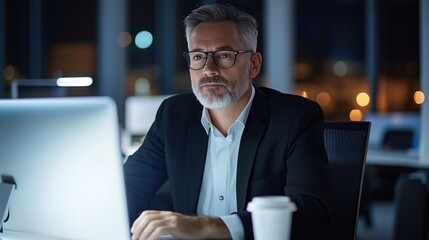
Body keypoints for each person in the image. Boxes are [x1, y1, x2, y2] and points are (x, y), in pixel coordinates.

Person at [124, 3, 331, 240]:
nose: (208, 69)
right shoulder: (173, 116)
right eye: (198, 56)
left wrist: (205, 227)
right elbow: (129, 188)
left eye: (224, 56)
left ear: (253, 64)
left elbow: (311, 213)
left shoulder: (295, 118)